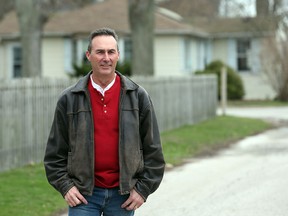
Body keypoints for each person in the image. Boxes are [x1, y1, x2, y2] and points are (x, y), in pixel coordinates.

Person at [44, 27, 165, 216]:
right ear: (88, 55)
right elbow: (54, 155)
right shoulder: (69, 99)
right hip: (84, 196)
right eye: (100, 52)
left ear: (118, 55)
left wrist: (143, 190)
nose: (106, 58)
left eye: (111, 52)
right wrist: (66, 187)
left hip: (123, 197)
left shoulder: (138, 97)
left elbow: (153, 151)